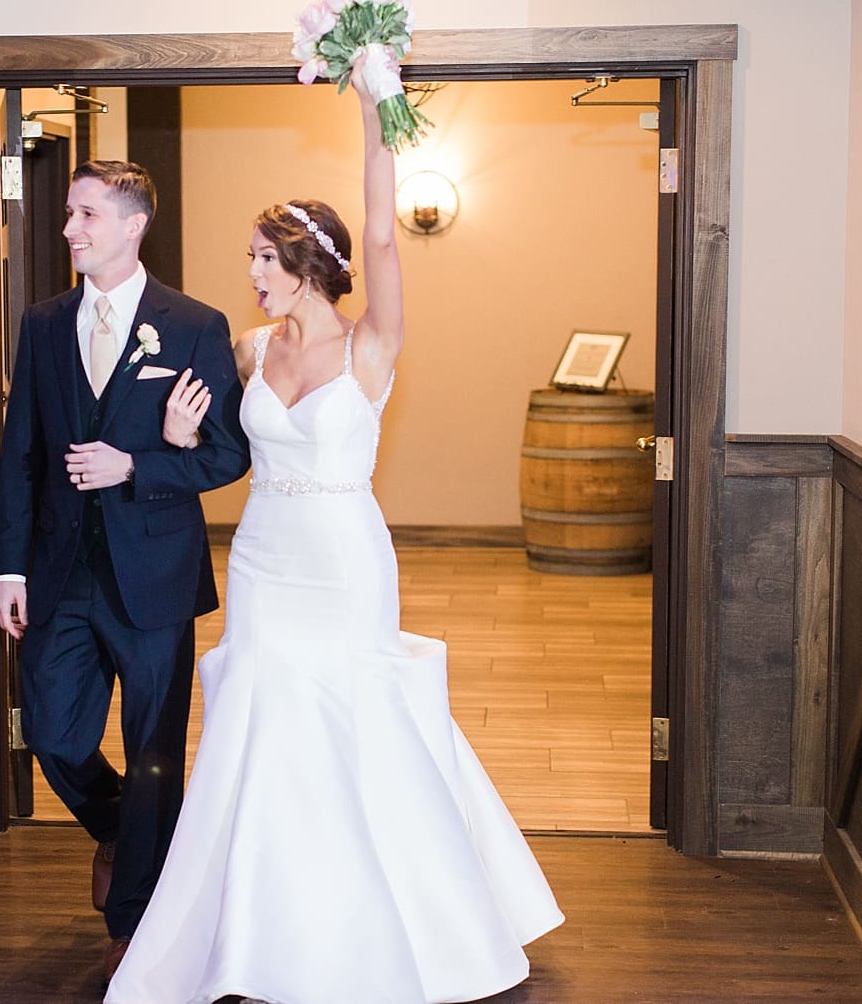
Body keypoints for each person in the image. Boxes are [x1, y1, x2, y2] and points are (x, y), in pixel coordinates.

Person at [104, 83, 563, 1003]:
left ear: (305, 261)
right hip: (267, 556)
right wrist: (185, 443)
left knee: (360, 719)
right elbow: (218, 450)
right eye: (248, 259)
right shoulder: (242, 350)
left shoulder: (371, 348)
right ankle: (259, 928)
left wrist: (373, 106)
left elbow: (385, 237)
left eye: (262, 258)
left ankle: (404, 918)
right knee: (264, 722)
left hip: (346, 556)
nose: (252, 275)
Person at [0, 160, 251, 980]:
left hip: (155, 576)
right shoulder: (41, 324)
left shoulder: (194, 325)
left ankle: (134, 923)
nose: (70, 229)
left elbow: (227, 454)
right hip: (60, 571)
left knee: (153, 749)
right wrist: (9, 570)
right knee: (51, 731)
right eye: (70, 213)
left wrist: (136, 465)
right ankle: (120, 827)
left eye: (87, 214)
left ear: (134, 223)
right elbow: (20, 456)